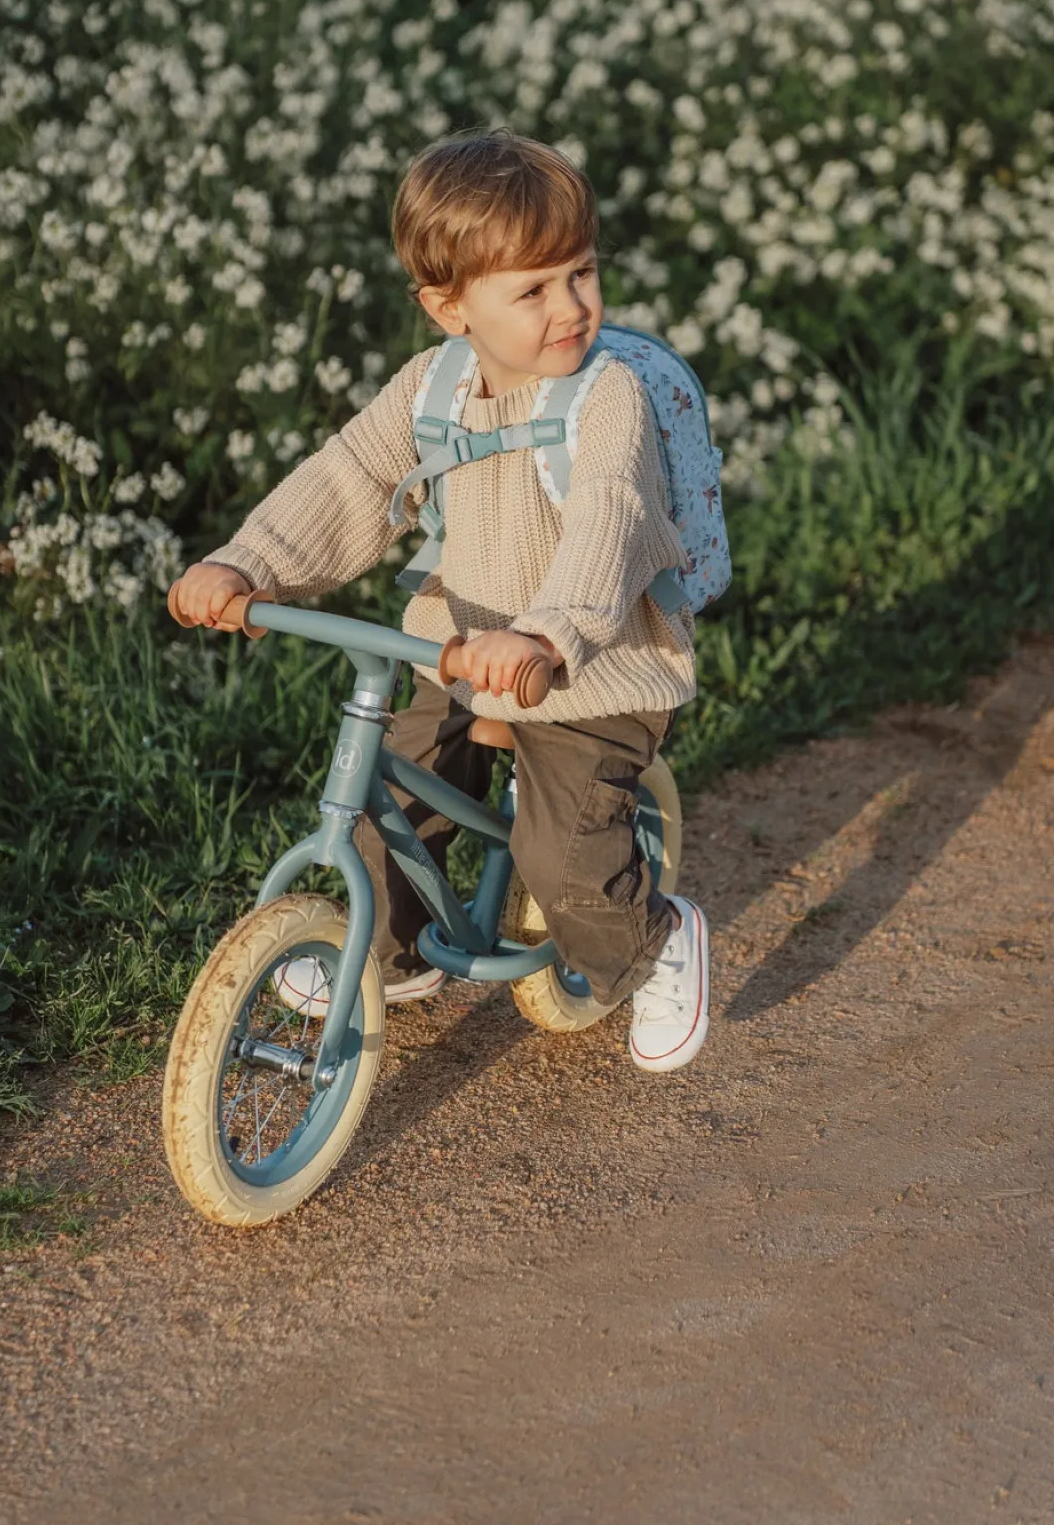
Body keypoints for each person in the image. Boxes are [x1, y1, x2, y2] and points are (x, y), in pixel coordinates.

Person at [170, 129, 710, 1073]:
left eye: (581, 274)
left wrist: (550, 630)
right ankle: (388, 945)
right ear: (447, 307)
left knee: (564, 854)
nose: (571, 307)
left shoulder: (606, 395)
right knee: (394, 782)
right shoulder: (433, 388)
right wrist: (248, 562)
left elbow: (608, 521)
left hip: (594, 658)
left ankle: (658, 943)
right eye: (533, 290)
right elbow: (347, 478)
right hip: (456, 645)